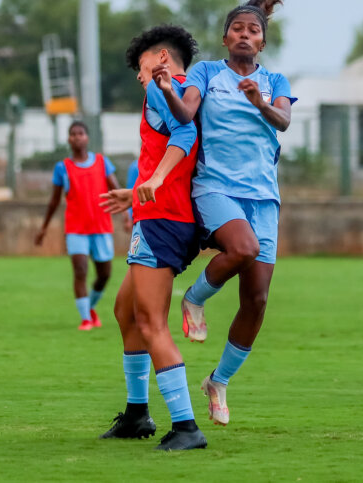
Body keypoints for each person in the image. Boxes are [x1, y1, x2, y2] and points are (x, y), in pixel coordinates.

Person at [156, 0, 294, 427]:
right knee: (243, 248)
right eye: (237, 28)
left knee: (256, 299)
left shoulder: (275, 82)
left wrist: (259, 101)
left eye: (253, 30)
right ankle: (193, 299)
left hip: (264, 197)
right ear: (224, 37)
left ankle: (219, 382)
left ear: (262, 43)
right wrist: (166, 89)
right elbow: (185, 113)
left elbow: (284, 121)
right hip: (215, 186)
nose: (244, 35)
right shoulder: (207, 72)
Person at [98, 24, 207, 451]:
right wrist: (139, 188)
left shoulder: (166, 88)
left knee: (150, 321)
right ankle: (137, 413)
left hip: (163, 218)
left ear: (161, 57)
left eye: (141, 68)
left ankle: (185, 427)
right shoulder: (181, 91)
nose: (140, 78)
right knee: (126, 311)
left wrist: (157, 180)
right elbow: (173, 147)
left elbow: (185, 135)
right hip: (158, 214)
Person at [36, 121, 120, 331]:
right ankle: (85, 320)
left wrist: (128, 215)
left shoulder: (102, 162)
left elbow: (117, 191)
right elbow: (54, 200)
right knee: (80, 270)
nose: (76, 137)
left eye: (80, 133)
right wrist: (44, 227)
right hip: (76, 229)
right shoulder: (62, 167)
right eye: (72, 134)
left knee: (104, 275)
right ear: (68, 139)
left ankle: (89, 307)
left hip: (101, 227)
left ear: (87, 137)